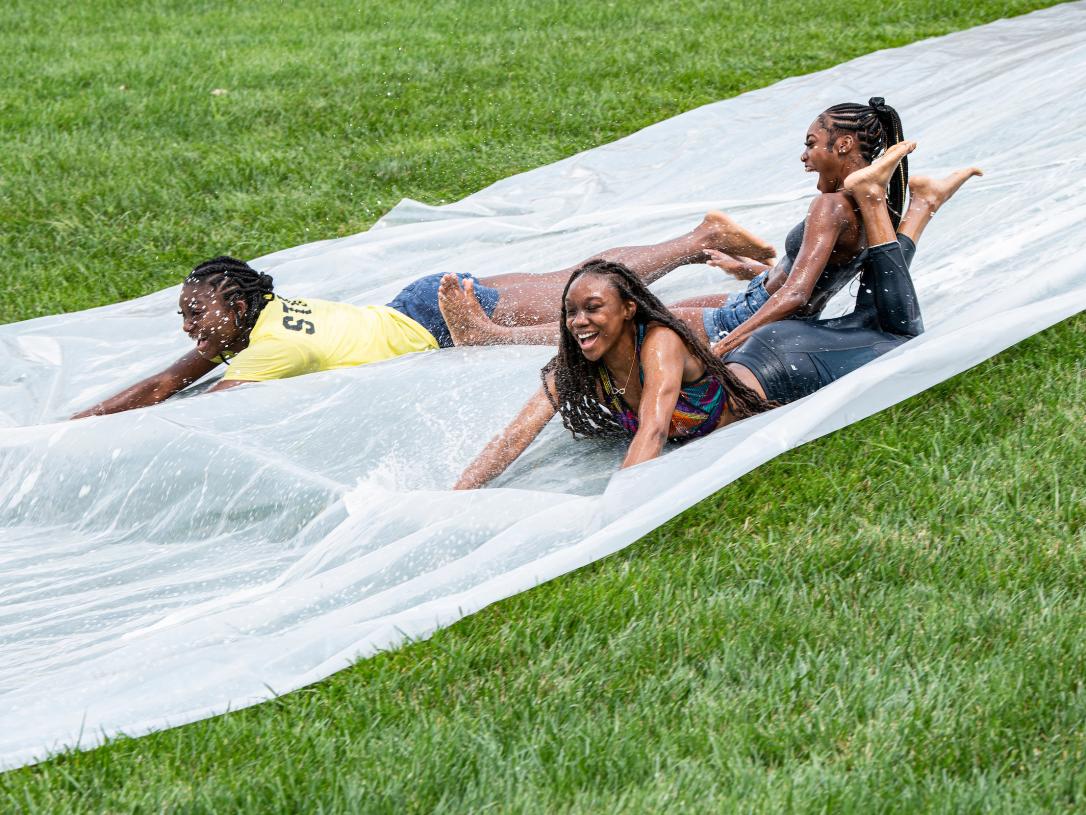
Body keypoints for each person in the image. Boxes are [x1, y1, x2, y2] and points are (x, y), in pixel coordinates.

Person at [454, 141, 974, 489]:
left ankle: (876, 201)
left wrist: (610, 518)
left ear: (629, 310)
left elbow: (654, 432)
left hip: (787, 363)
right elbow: (510, 440)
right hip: (759, 349)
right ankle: (922, 205)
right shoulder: (571, 369)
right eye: (571, 312)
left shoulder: (658, 344)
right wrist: (455, 497)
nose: (579, 322)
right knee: (874, 320)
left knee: (896, 334)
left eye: (594, 309)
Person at [70, 213, 774, 418]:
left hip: (433, 323)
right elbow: (165, 382)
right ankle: (706, 248)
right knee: (574, 287)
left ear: (237, 304)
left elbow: (186, 409)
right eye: (185, 315)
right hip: (418, 300)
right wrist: (77, 424)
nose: (191, 327)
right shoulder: (259, 323)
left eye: (199, 312)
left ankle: (740, 282)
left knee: (592, 306)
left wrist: (87, 433)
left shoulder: (263, 353)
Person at [436, 98, 948, 351]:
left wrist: (733, 339)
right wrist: (748, 268)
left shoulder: (831, 207)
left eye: (812, 144)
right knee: (642, 303)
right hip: (756, 300)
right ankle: (497, 328)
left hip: (754, 316)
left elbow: (794, 297)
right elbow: (804, 280)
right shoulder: (867, 210)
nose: (804, 155)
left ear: (843, 147)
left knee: (621, 324)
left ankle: (489, 336)